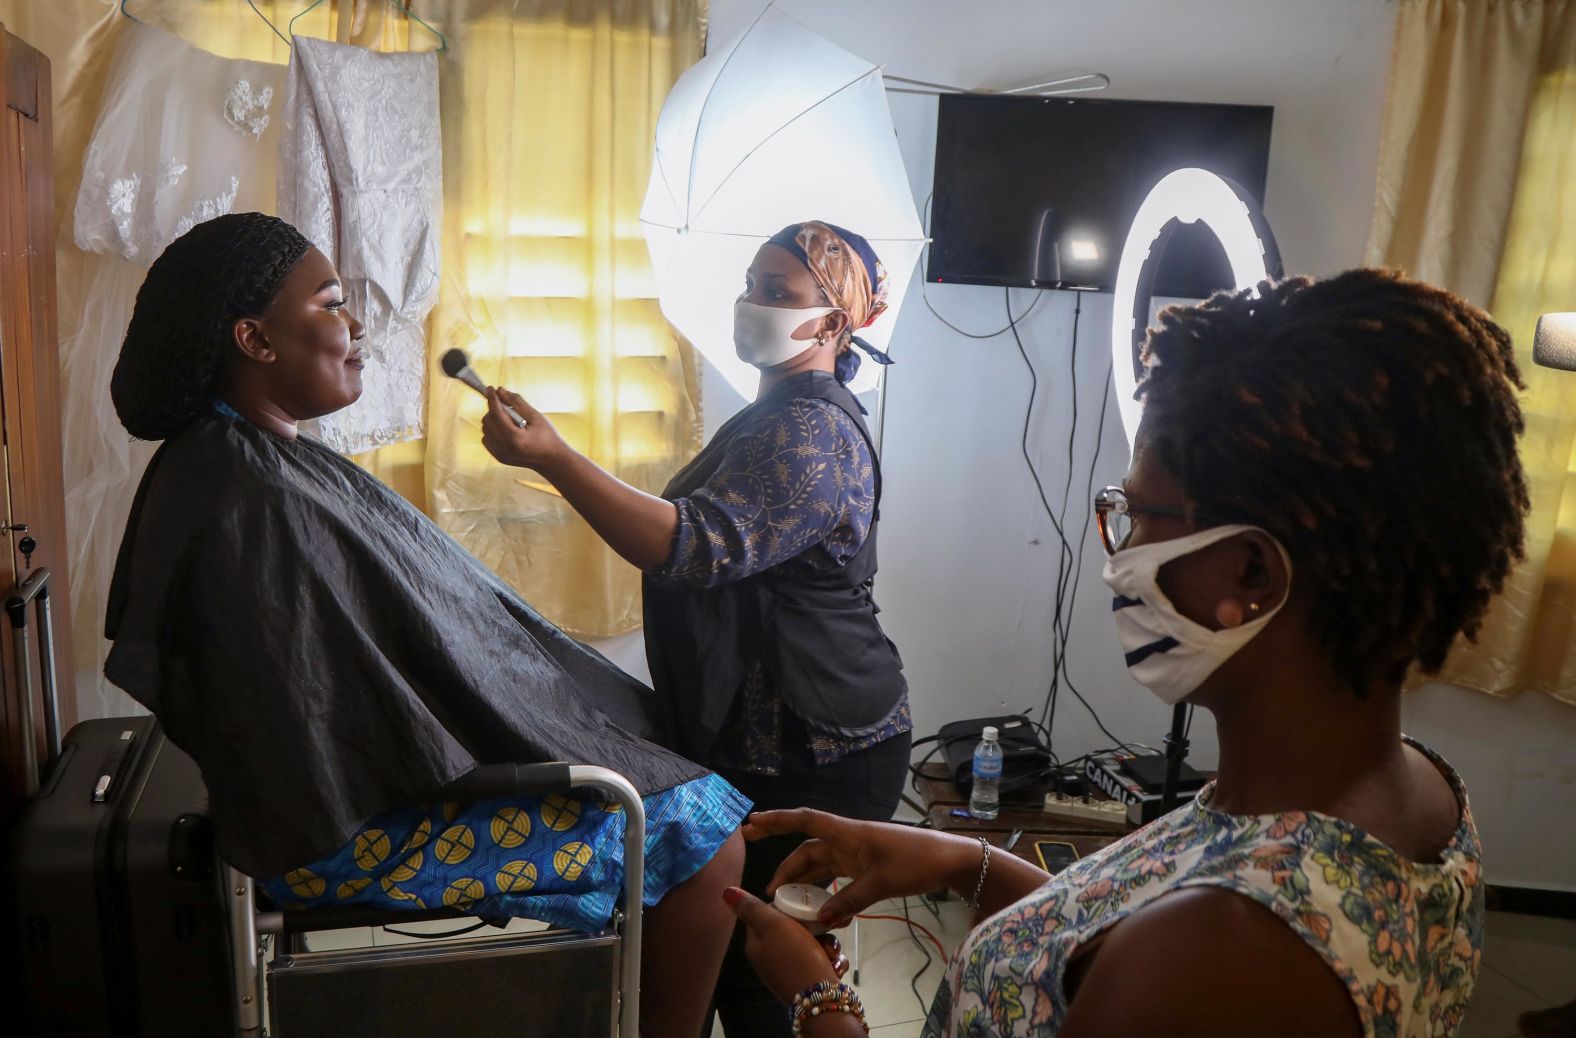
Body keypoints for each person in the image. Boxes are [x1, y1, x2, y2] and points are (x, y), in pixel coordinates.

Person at [719, 269, 1526, 1037]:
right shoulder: (1409, 787)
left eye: (1137, 518)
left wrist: (818, 1003)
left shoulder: (1223, 961)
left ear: (1249, 571)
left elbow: (1171, 956)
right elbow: (1113, 934)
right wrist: (961, 862)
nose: (1118, 553)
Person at [104, 212, 747, 1038]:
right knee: (708, 836)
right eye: (332, 305)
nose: (357, 325)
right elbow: (342, 711)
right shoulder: (254, 500)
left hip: (316, 801)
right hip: (333, 834)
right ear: (255, 341)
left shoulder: (241, 460)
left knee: (663, 774)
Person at [479, 220, 911, 1033]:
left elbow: (693, 544)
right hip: (762, 735)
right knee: (723, 967)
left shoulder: (811, 433)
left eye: (778, 293)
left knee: (766, 986)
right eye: (751, 284)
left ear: (834, 323)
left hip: (820, 749)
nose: (752, 303)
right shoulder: (777, 410)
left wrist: (555, 459)